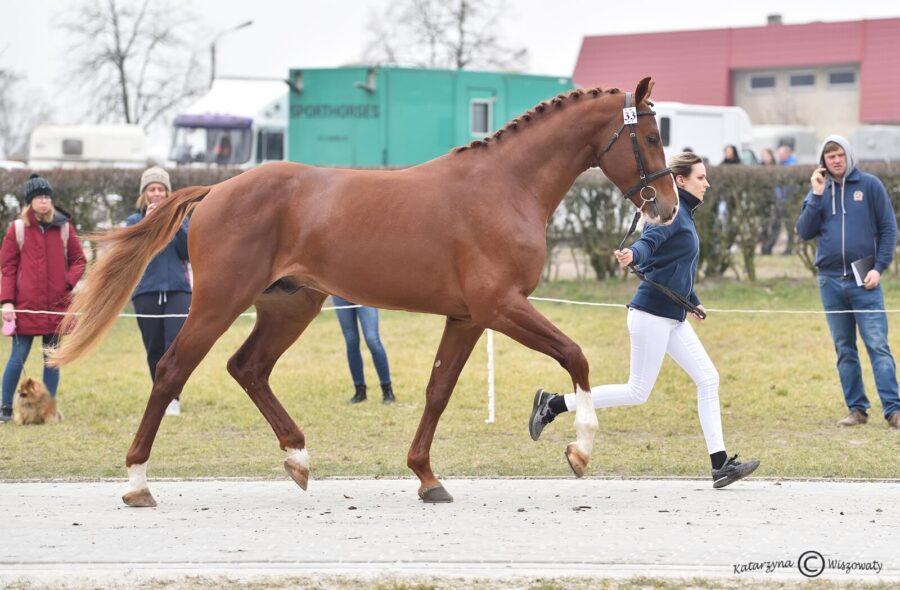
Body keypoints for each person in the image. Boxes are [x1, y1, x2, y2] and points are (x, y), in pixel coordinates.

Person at [528, 152, 760, 488]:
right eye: (701, 177)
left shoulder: (686, 215)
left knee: (708, 379)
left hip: (674, 316)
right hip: (651, 315)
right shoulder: (671, 214)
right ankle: (555, 403)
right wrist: (631, 254)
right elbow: (648, 244)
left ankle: (719, 463)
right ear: (680, 180)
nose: (707, 183)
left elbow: (675, 266)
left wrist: (691, 301)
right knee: (637, 391)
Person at [796, 135, 900, 429]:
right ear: (823, 161)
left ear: (849, 155)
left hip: (865, 281)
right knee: (844, 349)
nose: (836, 160)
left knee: (878, 345)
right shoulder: (819, 190)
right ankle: (857, 409)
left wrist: (879, 268)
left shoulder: (870, 186)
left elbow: (889, 230)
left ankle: (893, 410)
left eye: (840, 154)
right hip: (830, 282)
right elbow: (804, 231)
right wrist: (816, 195)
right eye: (830, 156)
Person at [0, 174, 86, 422]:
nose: (44, 201)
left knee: (52, 359)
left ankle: (47, 410)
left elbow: (79, 260)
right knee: (17, 357)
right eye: (39, 197)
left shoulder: (65, 227)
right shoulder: (16, 229)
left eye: (47, 197)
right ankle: (5, 408)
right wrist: (7, 302)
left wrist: (67, 283)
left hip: (57, 305)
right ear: (29, 202)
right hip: (26, 306)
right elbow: (8, 267)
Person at [126, 167, 191, 417]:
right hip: (146, 292)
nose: (156, 194)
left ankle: (173, 396)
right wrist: (148, 223)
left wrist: (172, 223)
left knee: (174, 346)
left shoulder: (181, 218)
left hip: (178, 290)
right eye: (152, 189)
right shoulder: (134, 221)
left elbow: (187, 252)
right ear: (144, 194)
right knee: (154, 349)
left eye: (161, 189)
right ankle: (160, 395)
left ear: (168, 193)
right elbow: (133, 253)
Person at [331, 295, 395, 404]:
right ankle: (359, 391)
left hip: (362, 290)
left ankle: (387, 390)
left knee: (372, 339)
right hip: (339, 292)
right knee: (351, 340)